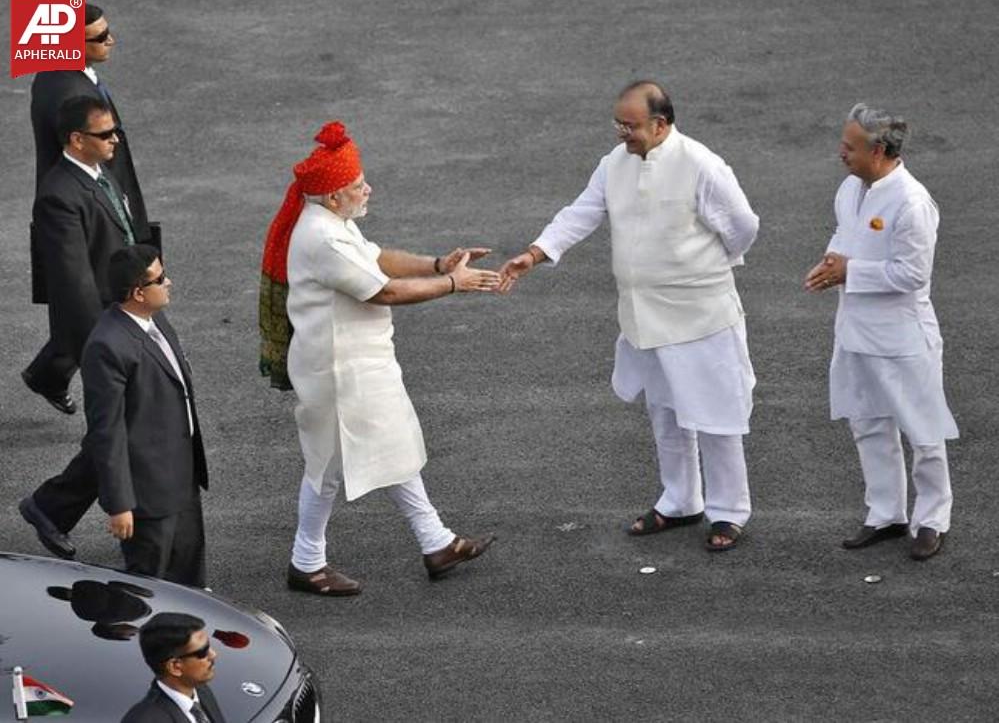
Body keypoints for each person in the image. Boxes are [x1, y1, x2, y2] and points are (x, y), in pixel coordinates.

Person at [499, 81, 760, 551]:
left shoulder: (701, 164)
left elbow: (742, 227)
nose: (622, 133)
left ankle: (729, 511)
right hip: (644, 317)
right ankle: (681, 501)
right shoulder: (613, 164)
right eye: (618, 123)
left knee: (717, 414)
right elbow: (581, 213)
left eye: (631, 125)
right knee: (666, 413)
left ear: (661, 125)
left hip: (702, 314)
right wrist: (536, 253)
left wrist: (703, 270)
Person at [261, 121, 498, 596]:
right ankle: (307, 562)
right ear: (332, 197)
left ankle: (436, 542)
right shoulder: (324, 238)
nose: (367, 189)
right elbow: (383, 290)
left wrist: (437, 264)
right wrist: (455, 284)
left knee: (390, 448)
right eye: (356, 186)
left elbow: (378, 257)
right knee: (328, 467)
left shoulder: (333, 223)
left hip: (354, 364)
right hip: (339, 371)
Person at [805, 103, 958, 560]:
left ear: (877, 151)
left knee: (923, 431)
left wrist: (850, 271)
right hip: (855, 331)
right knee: (868, 423)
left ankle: (932, 518)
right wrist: (831, 262)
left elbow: (912, 274)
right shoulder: (851, 189)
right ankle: (885, 513)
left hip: (903, 337)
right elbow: (845, 233)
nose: (841, 152)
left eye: (849, 146)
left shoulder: (912, 203)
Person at [31, 246, 210, 585]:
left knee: (191, 585)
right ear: (138, 293)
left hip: (181, 480)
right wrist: (120, 504)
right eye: (160, 279)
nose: (168, 281)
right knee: (146, 592)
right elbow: (106, 432)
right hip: (148, 495)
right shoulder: (107, 345)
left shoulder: (156, 320)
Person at [22, 94, 137, 418]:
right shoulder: (59, 196)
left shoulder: (98, 169)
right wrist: (100, 343)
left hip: (123, 299)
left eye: (115, 130)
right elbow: (74, 280)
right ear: (77, 139)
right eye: (105, 134)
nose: (115, 139)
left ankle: (47, 376)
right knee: (115, 418)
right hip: (106, 315)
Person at [30, 3, 150, 236]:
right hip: (95, 216)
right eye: (101, 37)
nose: (111, 41)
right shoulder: (74, 94)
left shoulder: (51, 74)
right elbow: (89, 158)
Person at [122, 612, 226, 723]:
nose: (213, 654)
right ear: (175, 666)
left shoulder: (200, 691)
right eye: (203, 652)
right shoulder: (144, 719)